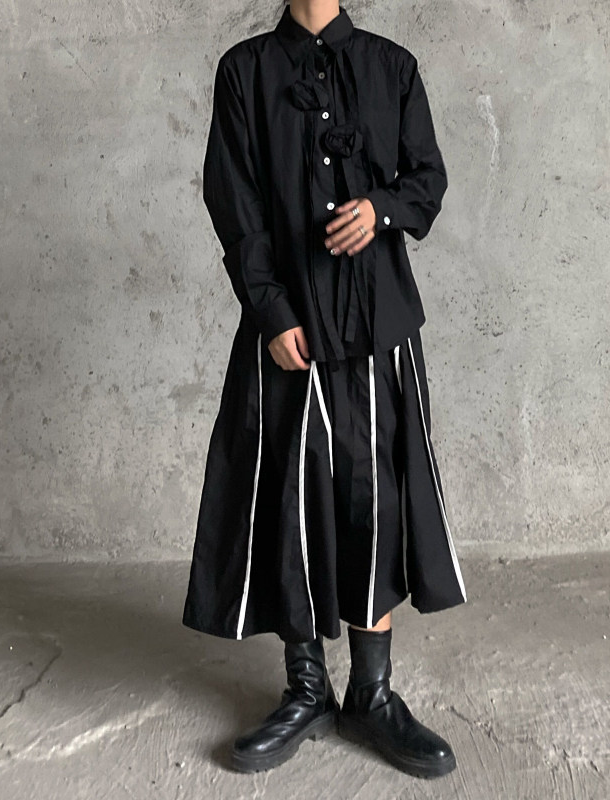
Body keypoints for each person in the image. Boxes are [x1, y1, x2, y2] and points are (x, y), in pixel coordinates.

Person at [182, 0, 468, 780]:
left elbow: (428, 180)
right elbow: (233, 201)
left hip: (378, 321)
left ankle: (371, 694)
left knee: (378, 501)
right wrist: (270, 311)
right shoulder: (244, 72)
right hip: (291, 328)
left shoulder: (392, 67)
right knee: (291, 497)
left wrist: (380, 209)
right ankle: (305, 688)